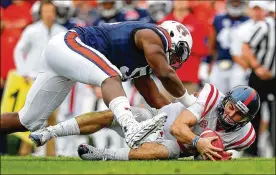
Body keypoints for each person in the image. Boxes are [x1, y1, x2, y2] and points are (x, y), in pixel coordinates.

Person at [1, 20, 195, 148]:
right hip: (69, 44)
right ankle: (131, 128)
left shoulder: (144, 62)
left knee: (27, 121)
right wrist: (191, 104)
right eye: (179, 51)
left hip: (64, 57)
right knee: (110, 76)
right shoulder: (152, 35)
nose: (177, 59)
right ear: (170, 36)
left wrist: (178, 119)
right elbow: (165, 74)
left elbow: (154, 96)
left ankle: (130, 126)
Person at [29, 84, 260, 161]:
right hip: (160, 119)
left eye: (240, 115)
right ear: (226, 100)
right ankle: (49, 132)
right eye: (231, 107)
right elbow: (177, 127)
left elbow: (205, 154)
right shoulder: (211, 95)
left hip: (177, 146)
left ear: (247, 120)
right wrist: (200, 141)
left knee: (158, 151)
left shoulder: (245, 136)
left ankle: (102, 154)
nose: (231, 115)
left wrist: (214, 156)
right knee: (111, 115)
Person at [242, 1, 275, 156]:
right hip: (260, 78)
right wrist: (256, 67)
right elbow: (246, 46)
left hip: (274, 78)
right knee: (254, 112)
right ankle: (251, 150)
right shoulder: (264, 26)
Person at [207, 0, 249, 94]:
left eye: (238, 3)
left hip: (239, 64)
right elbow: (211, 42)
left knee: (237, 96)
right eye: (233, 2)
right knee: (217, 95)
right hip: (220, 62)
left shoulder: (247, 20)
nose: (235, 4)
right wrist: (209, 61)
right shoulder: (218, 19)